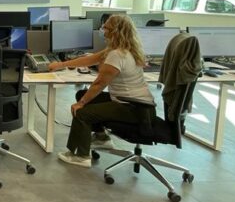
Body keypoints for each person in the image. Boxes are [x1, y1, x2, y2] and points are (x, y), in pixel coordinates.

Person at [48, 14, 155, 168]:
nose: (103, 31)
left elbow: (99, 84)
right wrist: (60, 65)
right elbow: (90, 60)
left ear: (115, 31)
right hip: (140, 106)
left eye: (106, 28)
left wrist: (81, 103)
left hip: (132, 108)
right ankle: (101, 138)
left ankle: (81, 156)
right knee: (82, 94)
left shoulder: (117, 55)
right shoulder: (125, 49)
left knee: (82, 112)